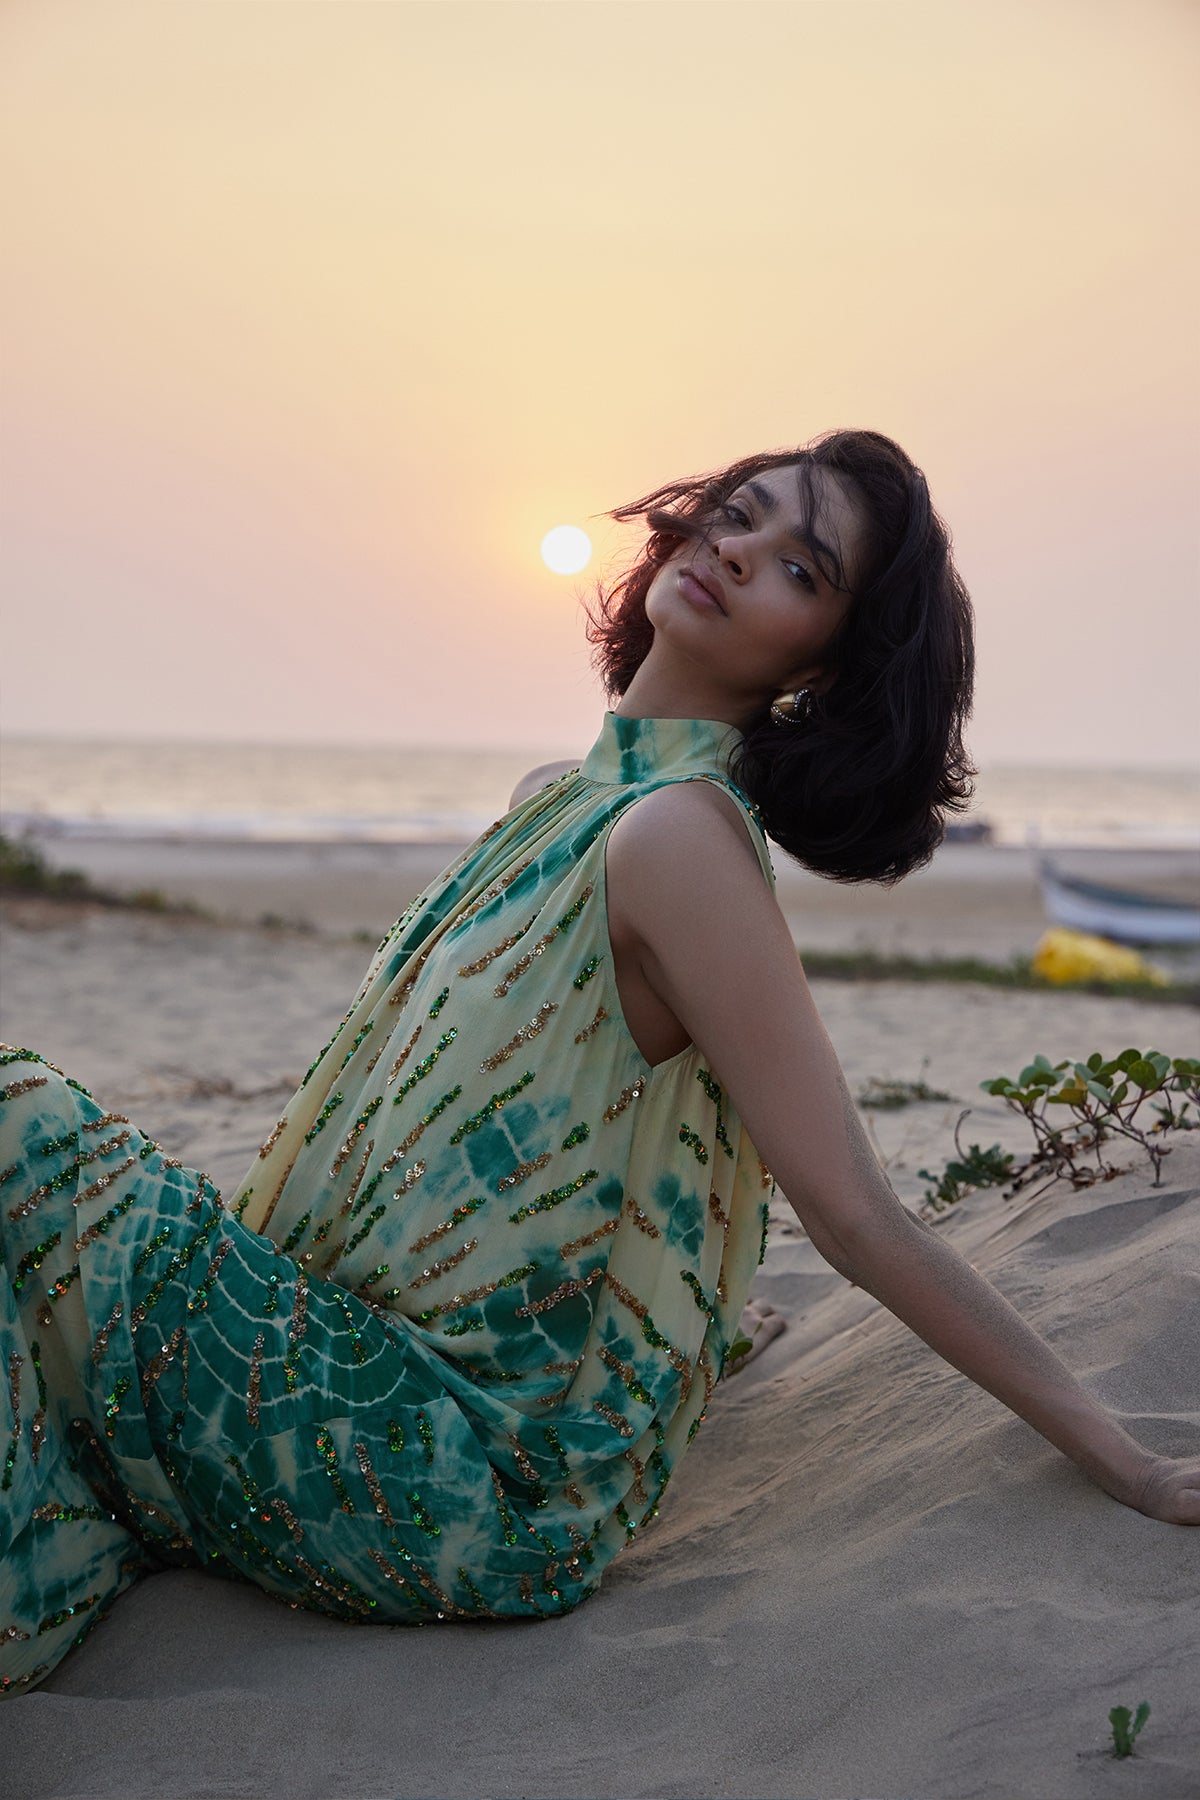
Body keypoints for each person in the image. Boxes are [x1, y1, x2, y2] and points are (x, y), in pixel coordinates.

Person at [2, 430, 1196, 1698]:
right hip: (326, 1366)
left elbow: (853, 1211)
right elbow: (554, 1133)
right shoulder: (552, 798)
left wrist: (1123, 1455)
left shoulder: (678, 838)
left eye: (800, 566)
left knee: (17, 1112)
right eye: (736, 515)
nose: (735, 551)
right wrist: (693, 1327)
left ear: (826, 669)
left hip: (448, 1469)